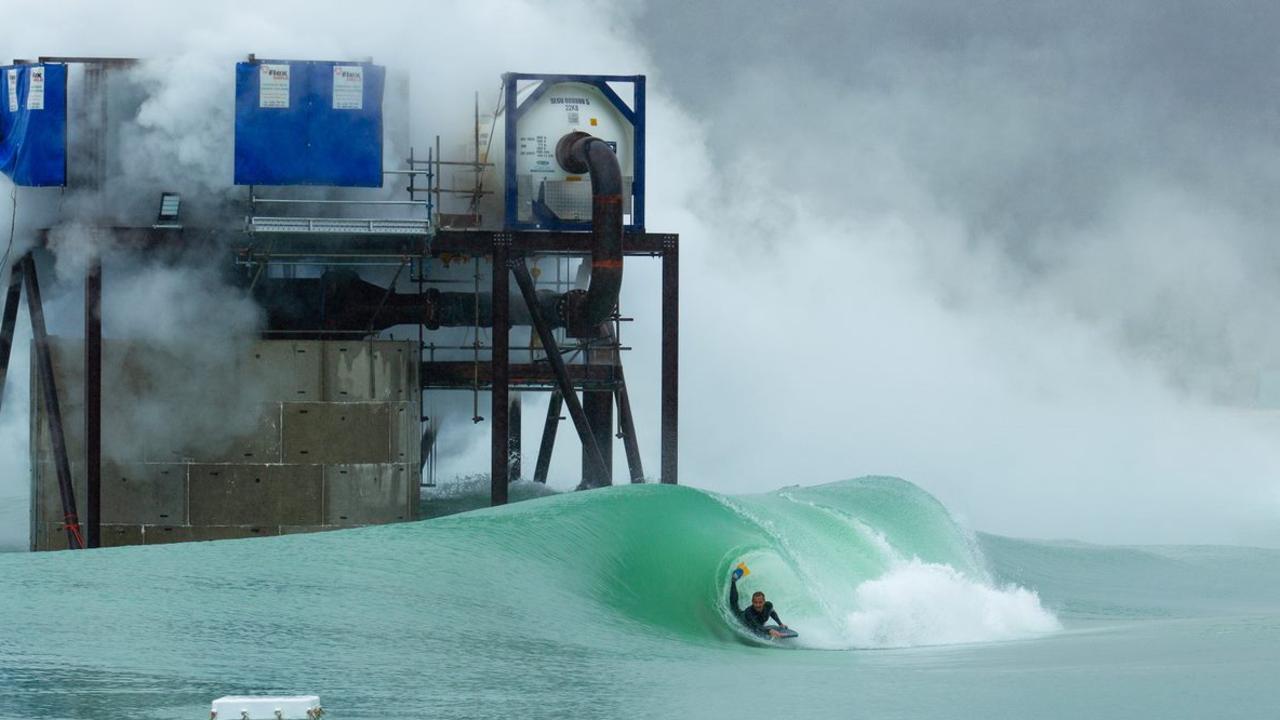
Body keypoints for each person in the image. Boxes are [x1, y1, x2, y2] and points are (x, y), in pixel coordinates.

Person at [729, 573, 787, 638]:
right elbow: (757, 627)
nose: (758, 605)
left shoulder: (768, 605)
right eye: (755, 602)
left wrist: (780, 624)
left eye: (760, 602)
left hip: (759, 624)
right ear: (752, 602)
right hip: (741, 616)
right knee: (734, 606)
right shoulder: (749, 613)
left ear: (764, 602)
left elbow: (772, 612)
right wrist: (769, 631)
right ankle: (733, 581)